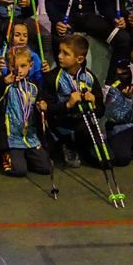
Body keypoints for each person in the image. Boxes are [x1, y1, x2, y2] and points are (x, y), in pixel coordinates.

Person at [0, 47, 52, 178]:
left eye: (23, 66)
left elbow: (43, 104)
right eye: (14, 66)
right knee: (19, 171)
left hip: (30, 138)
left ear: (31, 66)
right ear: (8, 66)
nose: (19, 70)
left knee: (46, 168)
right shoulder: (5, 86)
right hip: (11, 139)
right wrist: (5, 80)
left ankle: (25, 157)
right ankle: (9, 155)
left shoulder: (34, 87)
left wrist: (42, 107)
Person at [42, 34, 104, 168]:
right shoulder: (52, 77)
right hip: (62, 124)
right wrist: (68, 104)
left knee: (106, 161)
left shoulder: (89, 77)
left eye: (65, 53)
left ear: (79, 59)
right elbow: (48, 109)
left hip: (85, 124)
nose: (59, 56)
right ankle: (67, 145)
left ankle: (85, 147)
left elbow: (101, 110)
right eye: (59, 51)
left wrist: (94, 102)